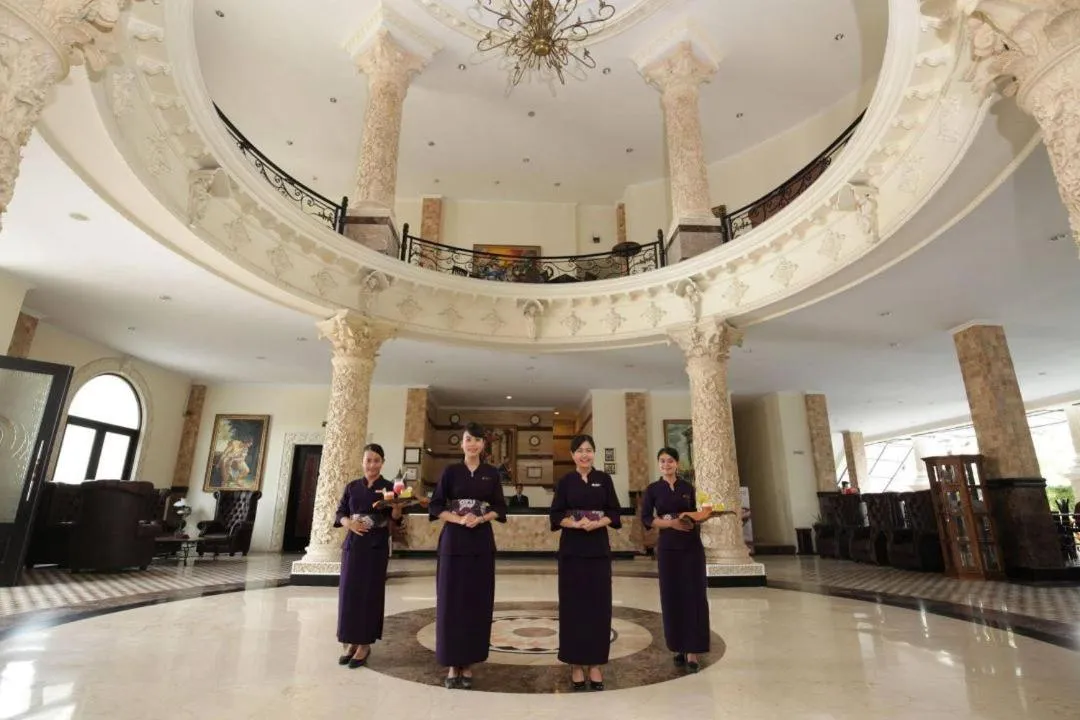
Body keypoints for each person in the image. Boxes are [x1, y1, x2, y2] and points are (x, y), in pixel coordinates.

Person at [429, 422, 508, 689]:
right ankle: (453, 663)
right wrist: (459, 519)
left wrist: (481, 518)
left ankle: (470, 661)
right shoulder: (450, 472)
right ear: (461, 443)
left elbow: (500, 507)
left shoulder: (491, 473)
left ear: (483, 445)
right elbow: (436, 505)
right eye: (468, 439)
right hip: (453, 543)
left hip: (481, 544)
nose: (472, 444)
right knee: (451, 602)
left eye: (477, 440)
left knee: (477, 602)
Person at [549, 434, 622, 691]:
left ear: (594, 453)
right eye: (579, 450)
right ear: (572, 455)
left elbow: (614, 512)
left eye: (589, 450)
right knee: (573, 607)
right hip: (572, 551)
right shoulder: (565, 481)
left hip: (598, 550)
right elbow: (555, 515)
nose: (584, 454)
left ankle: (595, 664)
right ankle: (576, 664)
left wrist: (598, 522)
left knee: (598, 607)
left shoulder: (604, 480)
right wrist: (574, 523)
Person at [639, 447, 711, 673]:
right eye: (662, 461)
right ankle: (679, 646)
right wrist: (671, 523)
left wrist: (696, 517)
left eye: (670, 461)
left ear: (677, 464)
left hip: (691, 547)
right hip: (668, 548)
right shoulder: (653, 489)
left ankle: (693, 650)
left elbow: (701, 511)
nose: (666, 465)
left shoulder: (689, 488)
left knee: (694, 595)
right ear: (658, 464)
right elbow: (647, 518)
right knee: (673, 596)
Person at [334, 443, 403, 668]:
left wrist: (397, 507)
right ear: (362, 462)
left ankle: (364, 644)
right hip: (353, 546)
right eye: (368, 460)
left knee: (369, 594)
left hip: (375, 547)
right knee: (349, 593)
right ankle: (350, 641)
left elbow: (396, 518)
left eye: (376, 461)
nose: (372, 465)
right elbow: (340, 512)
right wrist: (349, 523)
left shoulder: (389, 487)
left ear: (382, 463)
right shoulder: (352, 487)